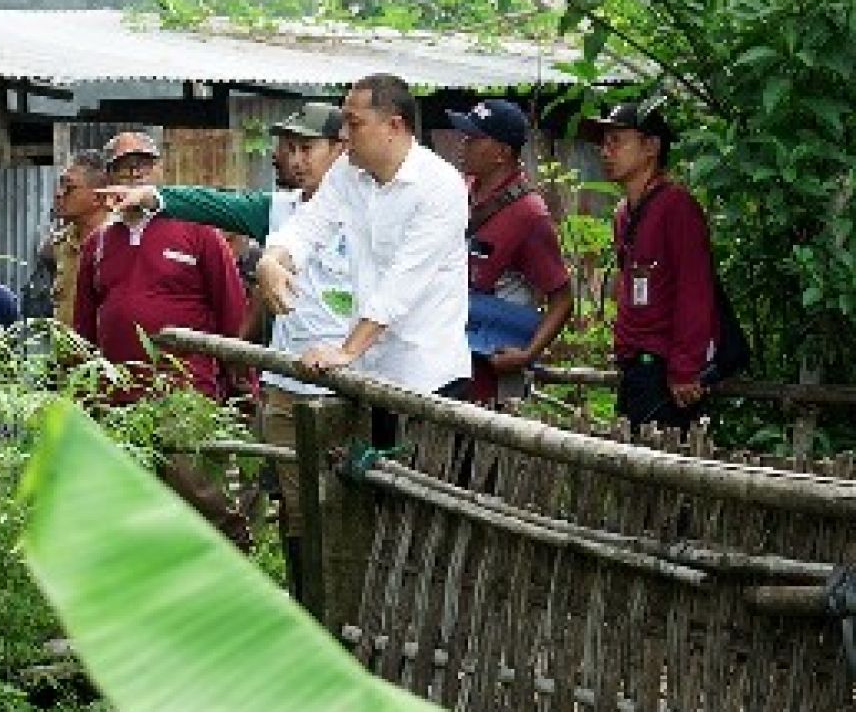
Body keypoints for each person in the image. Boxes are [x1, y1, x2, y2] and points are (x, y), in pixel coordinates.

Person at [100, 103, 348, 594]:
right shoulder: (280, 209)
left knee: (346, 506)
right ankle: (307, 612)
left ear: (340, 151)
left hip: (352, 379)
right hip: (287, 378)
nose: (295, 160)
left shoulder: (371, 209)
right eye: (289, 149)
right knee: (298, 515)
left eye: (307, 149)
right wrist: (154, 196)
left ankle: (344, 618)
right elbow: (213, 204)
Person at [257, 74, 472, 447]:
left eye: (354, 124)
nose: (344, 135)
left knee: (417, 495)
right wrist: (272, 261)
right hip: (369, 374)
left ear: (394, 126)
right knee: (368, 492)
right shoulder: (348, 173)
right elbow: (308, 227)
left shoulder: (440, 186)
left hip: (426, 376)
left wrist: (346, 350)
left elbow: (402, 284)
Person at [75, 130, 251, 546]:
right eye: (123, 166)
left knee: (198, 491)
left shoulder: (199, 230)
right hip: (121, 395)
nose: (135, 173)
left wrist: (244, 383)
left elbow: (232, 309)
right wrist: (85, 392)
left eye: (143, 164)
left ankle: (231, 569)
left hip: (185, 392)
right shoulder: (98, 244)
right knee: (134, 501)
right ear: (109, 176)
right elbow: (84, 327)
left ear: (158, 171)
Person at [592, 100, 718, 430]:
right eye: (605, 142)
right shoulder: (624, 212)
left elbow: (695, 289)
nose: (606, 151)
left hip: (664, 369)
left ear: (651, 147)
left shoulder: (676, 206)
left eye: (617, 141)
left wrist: (685, 367)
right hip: (636, 363)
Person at [446, 100, 572, 404]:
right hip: (454, 349)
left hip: (496, 361)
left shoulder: (529, 215)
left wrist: (528, 354)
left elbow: (563, 298)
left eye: (475, 138)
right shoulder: (458, 191)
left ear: (502, 153)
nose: (464, 144)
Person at [49, 151, 111, 327]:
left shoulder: (120, 242)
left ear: (98, 197)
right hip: (66, 350)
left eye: (69, 187)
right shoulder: (60, 245)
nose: (59, 194)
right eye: (59, 185)